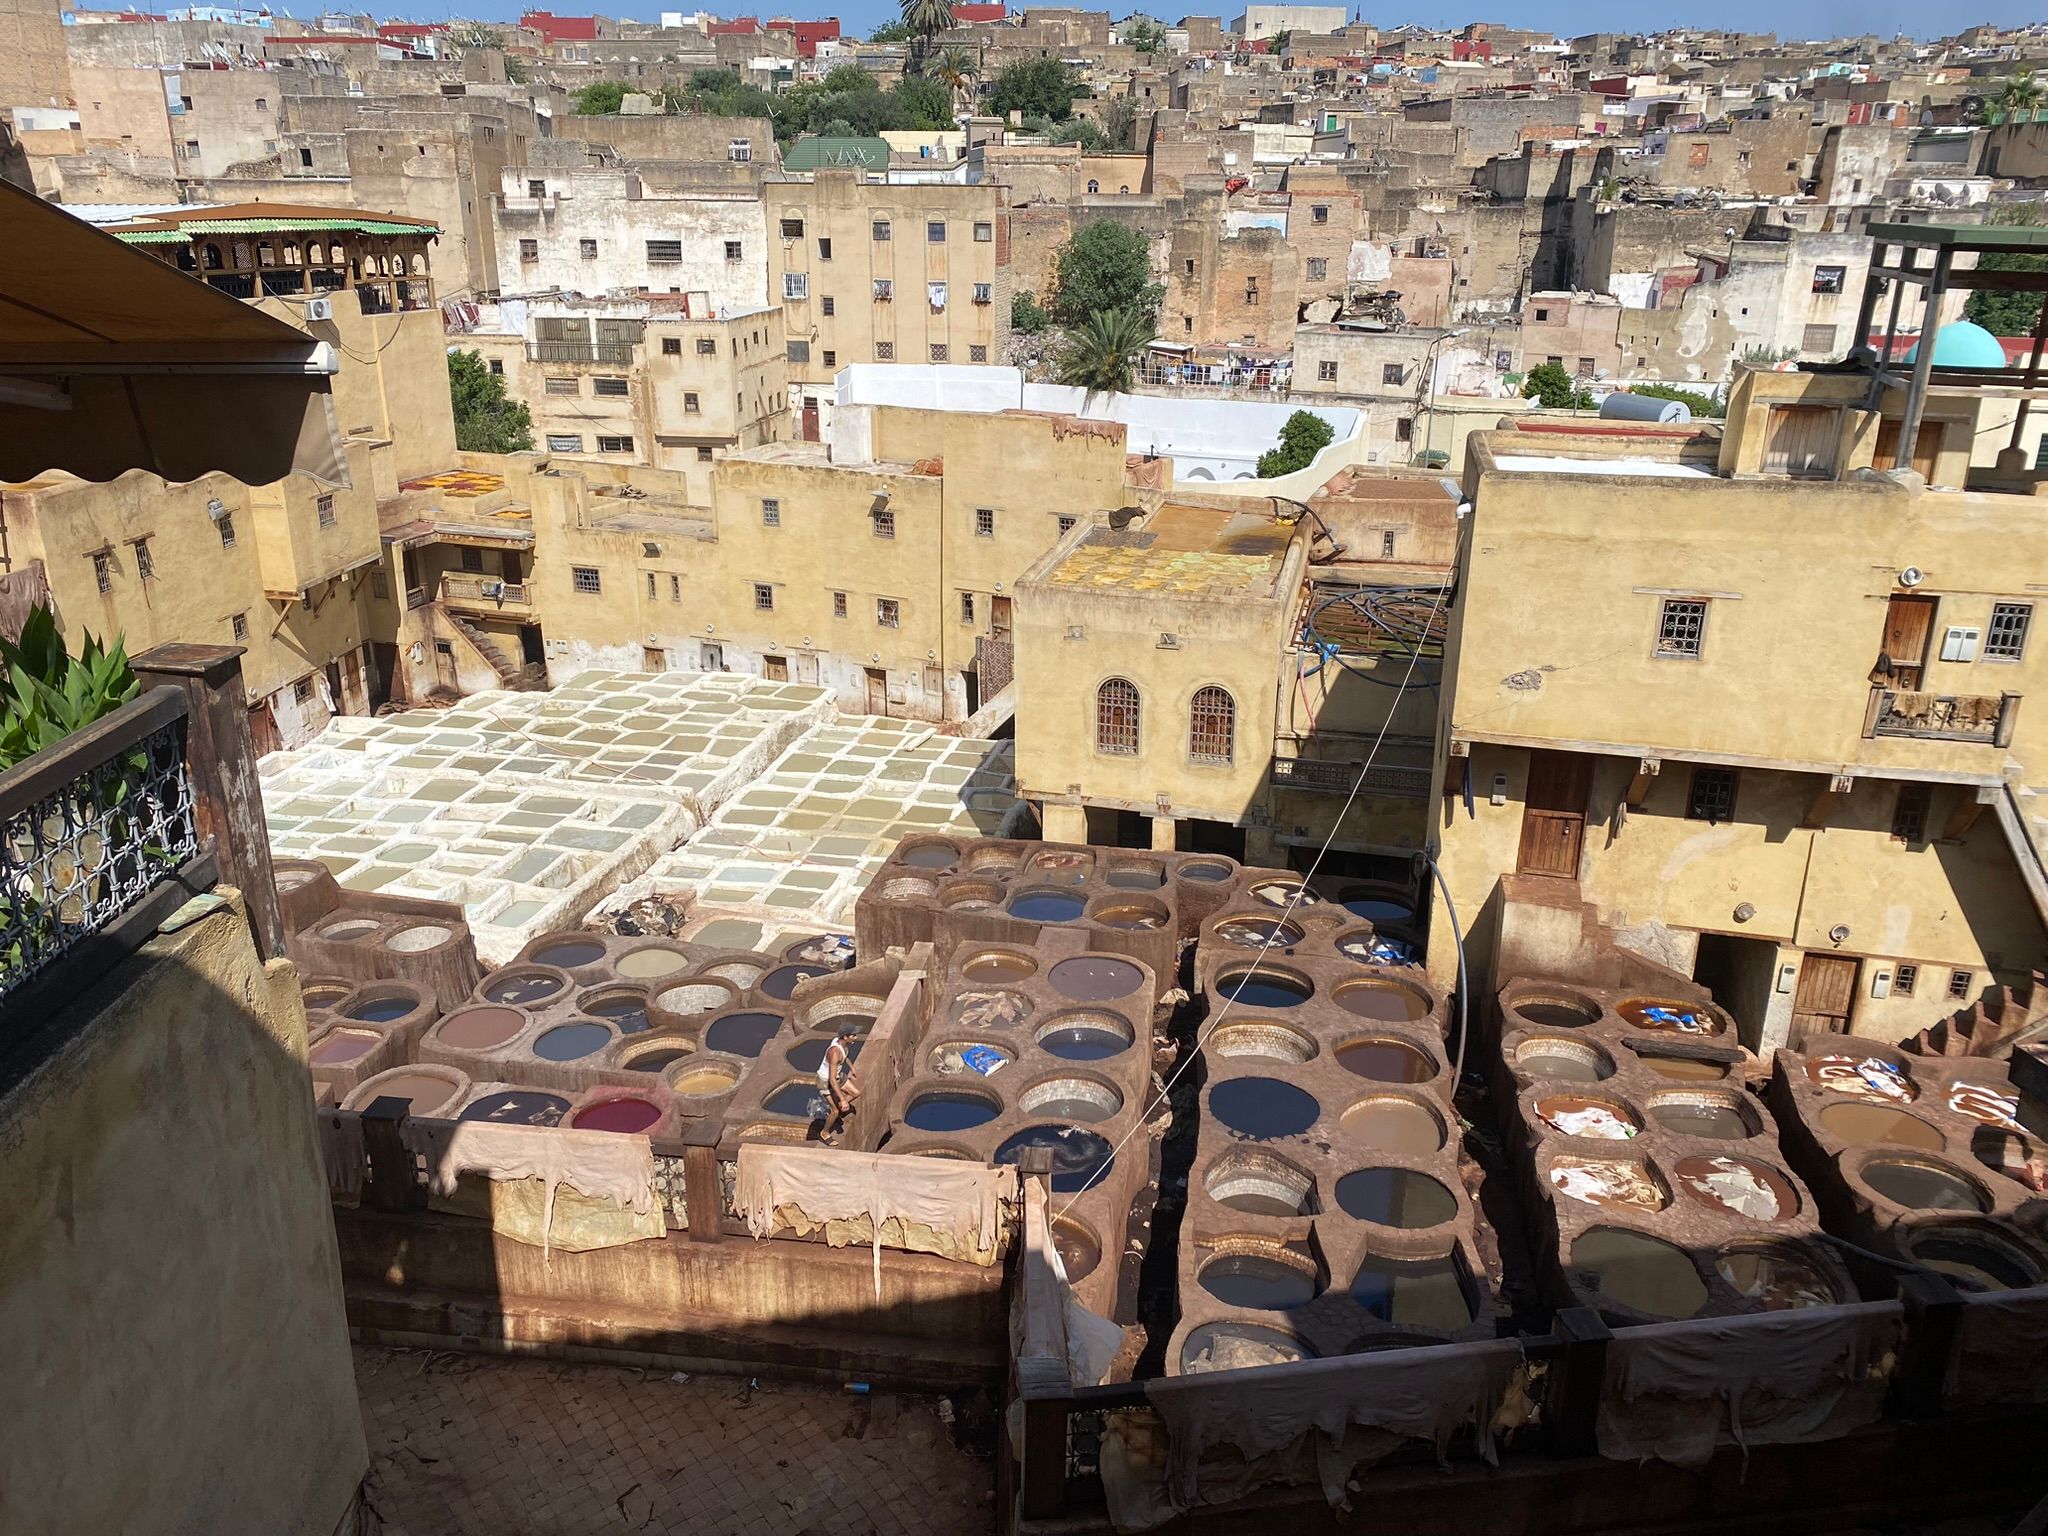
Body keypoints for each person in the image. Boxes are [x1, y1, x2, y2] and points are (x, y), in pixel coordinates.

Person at [818, 1027, 861, 1141]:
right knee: (835, 1111)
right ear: (845, 1037)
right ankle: (824, 1133)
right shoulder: (834, 1052)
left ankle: (840, 1107)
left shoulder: (841, 1043)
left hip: (837, 1075)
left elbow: (845, 1057)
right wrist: (842, 1099)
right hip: (825, 1081)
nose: (856, 1037)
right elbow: (832, 1080)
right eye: (853, 1035)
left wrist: (852, 1069)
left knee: (856, 1093)